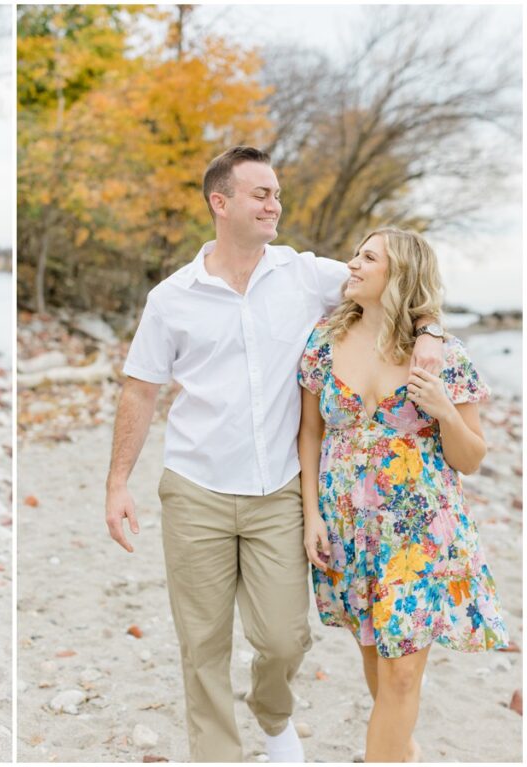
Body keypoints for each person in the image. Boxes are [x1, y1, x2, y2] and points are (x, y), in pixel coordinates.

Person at [104, 146, 444, 762]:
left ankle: (273, 712)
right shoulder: (172, 297)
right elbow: (140, 389)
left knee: (285, 639)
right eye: (260, 193)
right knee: (202, 644)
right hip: (195, 488)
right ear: (221, 201)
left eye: (277, 193)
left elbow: (393, 286)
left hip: (280, 491)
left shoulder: (305, 274)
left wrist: (431, 335)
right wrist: (117, 484)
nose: (274, 203)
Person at [297, 228, 508, 762]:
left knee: (402, 673)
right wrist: (310, 517)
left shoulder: (441, 356)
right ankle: (402, 750)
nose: (352, 263)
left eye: (368, 257)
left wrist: (440, 407)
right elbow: (310, 434)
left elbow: (472, 458)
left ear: (399, 275)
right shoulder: (324, 340)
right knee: (377, 661)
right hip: (348, 529)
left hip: (419, 533)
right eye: (355, 253)